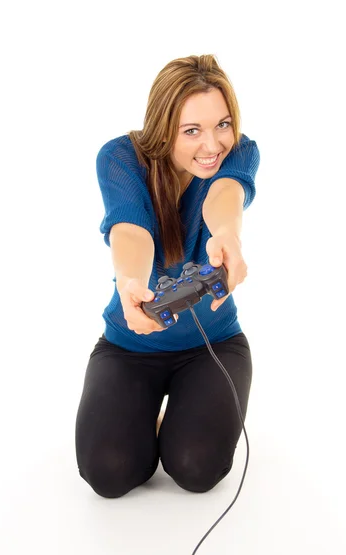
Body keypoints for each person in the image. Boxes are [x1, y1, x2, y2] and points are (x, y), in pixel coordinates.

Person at [75, 54, 260, 499]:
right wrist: (130, 282)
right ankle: (152, 414)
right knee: (109, 473)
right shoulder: (121, 157)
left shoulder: (240, 152)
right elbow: (130, 229)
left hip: (213, 347)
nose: (212, 144)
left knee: (197, 469)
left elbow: (226, 193)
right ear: (162, 128)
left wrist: (227, 235)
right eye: (191, 130)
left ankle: (183, 414)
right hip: (128, 348)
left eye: (222, 123)